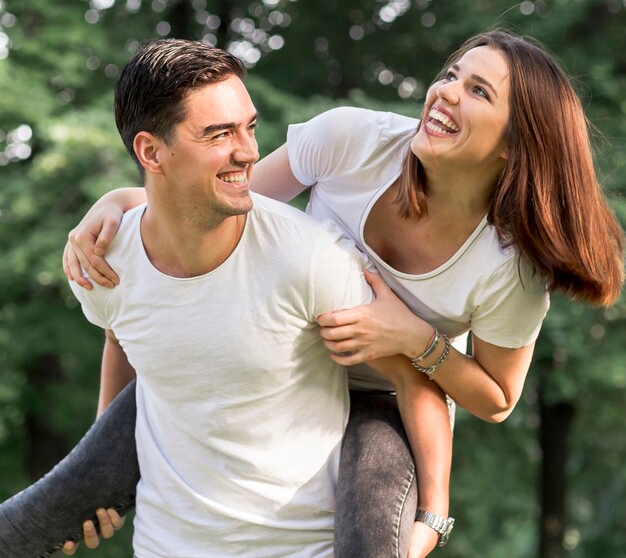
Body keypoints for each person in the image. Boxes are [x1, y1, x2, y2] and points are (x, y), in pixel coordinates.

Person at [5, 29, 625, 556]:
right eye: (452, 74)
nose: (445, 94)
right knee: (43, 511)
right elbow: (221, 203)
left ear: (516, 141)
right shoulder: (353, 141)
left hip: (387, 393)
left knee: (373, 535)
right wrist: (123, 202)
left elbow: (494, 400)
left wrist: (412, 338)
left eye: (478, 92)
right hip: (283, 359)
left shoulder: (508, 265)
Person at [0, 38, 447, 558]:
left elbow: (412, 381)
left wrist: (432, 520)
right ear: (151, 152)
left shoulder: (310, 260)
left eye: (249, 127)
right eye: (219, 134)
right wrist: (99, 475)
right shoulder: (105, 262)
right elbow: (123, 339)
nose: (249, 151)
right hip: (165, 546)